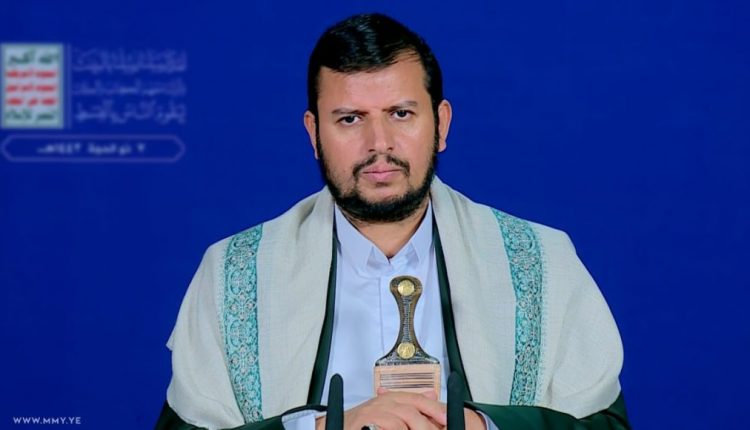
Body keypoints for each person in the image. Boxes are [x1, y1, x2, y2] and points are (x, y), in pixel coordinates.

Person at [156, 13, 630, 430]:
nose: (378, 143)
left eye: (401, 114)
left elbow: (602, 427)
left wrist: (481, 426)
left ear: (441, 124)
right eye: (350, 119)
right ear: (314, 133)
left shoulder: (542, 262)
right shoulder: (234, 273)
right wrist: (322, 427)